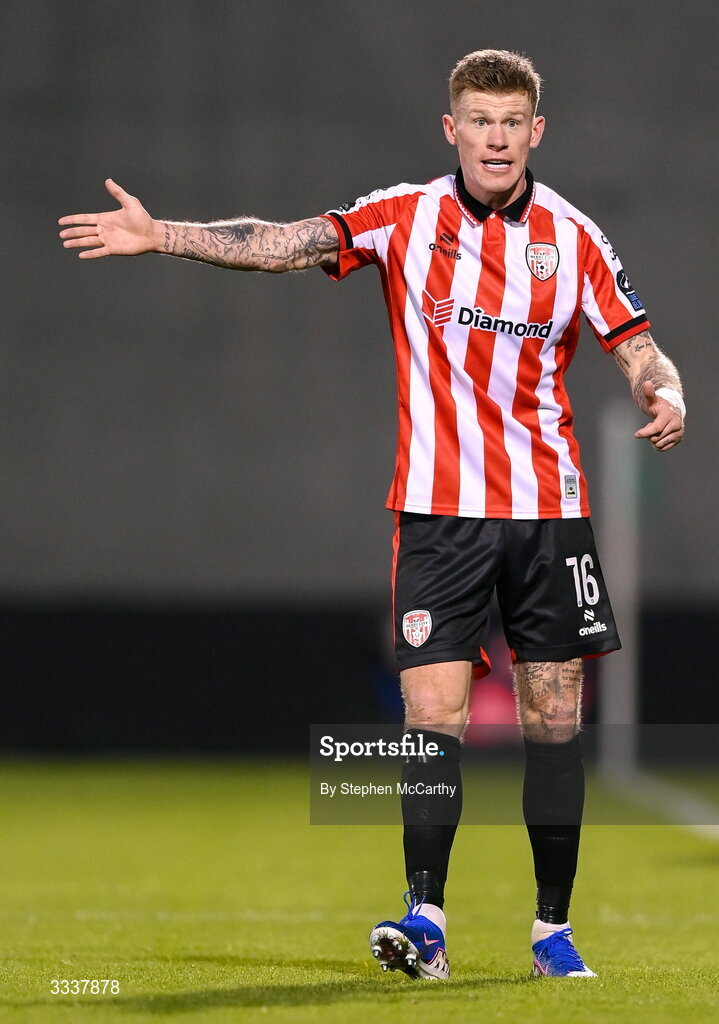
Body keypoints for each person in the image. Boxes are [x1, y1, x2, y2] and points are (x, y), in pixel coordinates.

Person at [59, 48, 684, 980]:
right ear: (453, 129)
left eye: (512, 122)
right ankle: (423, 922)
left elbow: (636, 343)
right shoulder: (405, 215)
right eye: (479, 119)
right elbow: (285, 241)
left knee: (554, 723)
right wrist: (166, 235)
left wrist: (665, 390)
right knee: (430, 717)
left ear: (534, 132)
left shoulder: (574, 237)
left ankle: (551, 931)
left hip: (548, 513)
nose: (496, 137)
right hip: (436, 515)